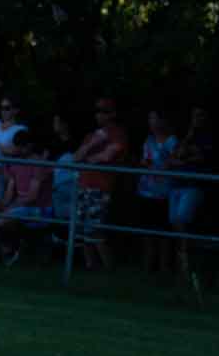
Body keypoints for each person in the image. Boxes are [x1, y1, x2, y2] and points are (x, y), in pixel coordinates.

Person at [0, 129, 51, 263]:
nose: (18, 149)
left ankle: (12, 249)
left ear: (30, 146)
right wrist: (2, 204)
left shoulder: (39, 164)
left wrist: (10, 207)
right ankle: (5, 249)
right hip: (18, 205)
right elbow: (10, 190)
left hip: (38, 208)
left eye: (21, 147)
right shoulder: (15, 162)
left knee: (3, 221)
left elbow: (32, 197)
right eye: (17, 146)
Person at [73, 97, 129, 271]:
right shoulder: (91, 136)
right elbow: (76, 158)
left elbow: (106, 156)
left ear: (113, 114)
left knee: (95, 228)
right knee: (82, 228)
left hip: (101, 187)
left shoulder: (118, 134)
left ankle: (108, 267)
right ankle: (90, 266)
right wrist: (93, 143)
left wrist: (90, 156)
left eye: (104, 111)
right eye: (97, 111)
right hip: (83, 184)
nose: (99, 115)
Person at [167, 105, 212, 275]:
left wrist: (183, 159)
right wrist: (187, 140)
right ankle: (183, 259)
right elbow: (172, 158)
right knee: (174, 221)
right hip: (177, 184)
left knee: (182, 219)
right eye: (194, 116)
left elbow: (201, 158)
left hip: (193, 185)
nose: (197, 119)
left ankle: (186, 259)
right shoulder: (183, 136)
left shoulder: (208, 139)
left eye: (200, 115)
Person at [135, 108, 180, 274]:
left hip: (164, 193)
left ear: (163, 120)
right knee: (147, 229)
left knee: (164, 231)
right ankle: (148, 265)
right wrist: (144, 163)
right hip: (145, 190)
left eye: (154, 118)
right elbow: (144, 159)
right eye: (149, 118)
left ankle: (164, 266)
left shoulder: (173, 141)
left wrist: (165, 164)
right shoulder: (148, 140)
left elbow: (175, 162)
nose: (151, 122)